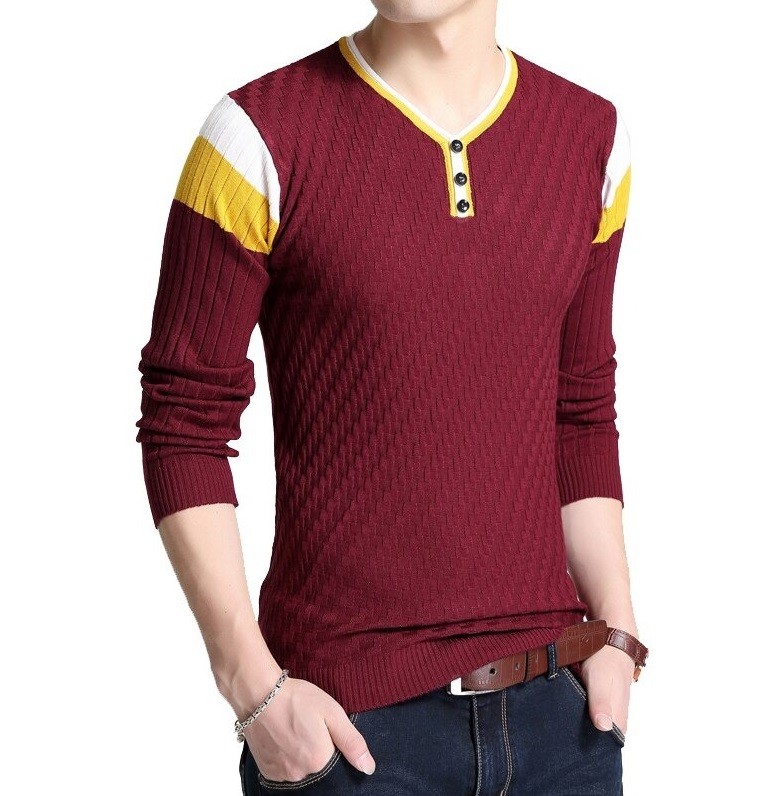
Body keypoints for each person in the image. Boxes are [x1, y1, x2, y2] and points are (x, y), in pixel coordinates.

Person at [134, 1, 649, 793]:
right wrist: (254, 692)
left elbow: (577, 407)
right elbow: (183, 423)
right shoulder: (254, 135)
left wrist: (616, 635)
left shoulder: (589, 137)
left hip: (561, 724)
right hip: (351, 737)